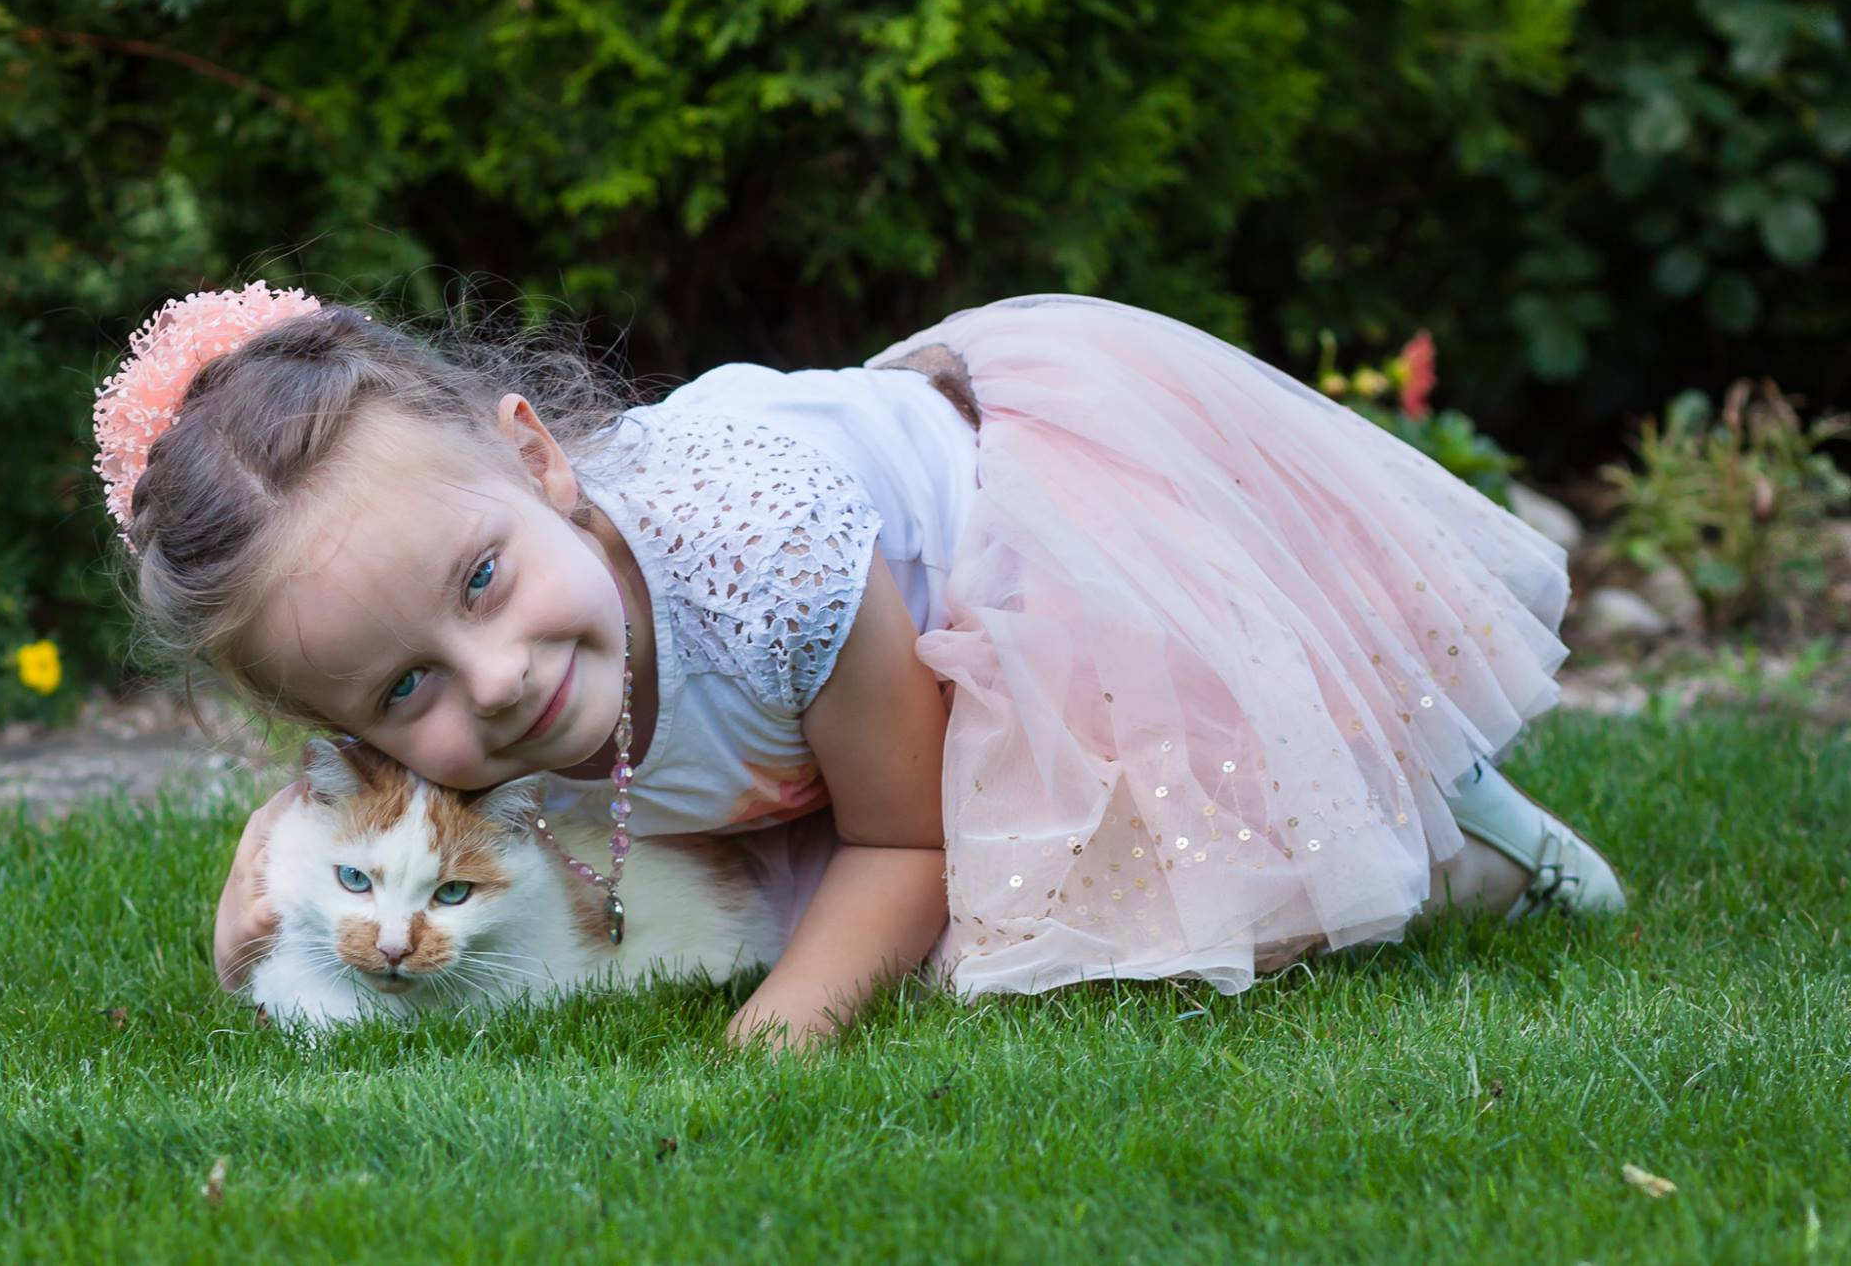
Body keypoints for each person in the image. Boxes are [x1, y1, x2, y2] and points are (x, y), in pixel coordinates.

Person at [98, 283, 1625, 1051]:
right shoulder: (490, 670)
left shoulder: (766, 559)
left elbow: (906, 833)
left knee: (1133, 892)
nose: (492, 683)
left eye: (484, 584)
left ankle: (1450, 822)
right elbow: (395, 813)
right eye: (399, 694)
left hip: (1009, 560)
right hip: (825, 706)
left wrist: (791, 1024)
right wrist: (282, 852)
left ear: (539, 459)